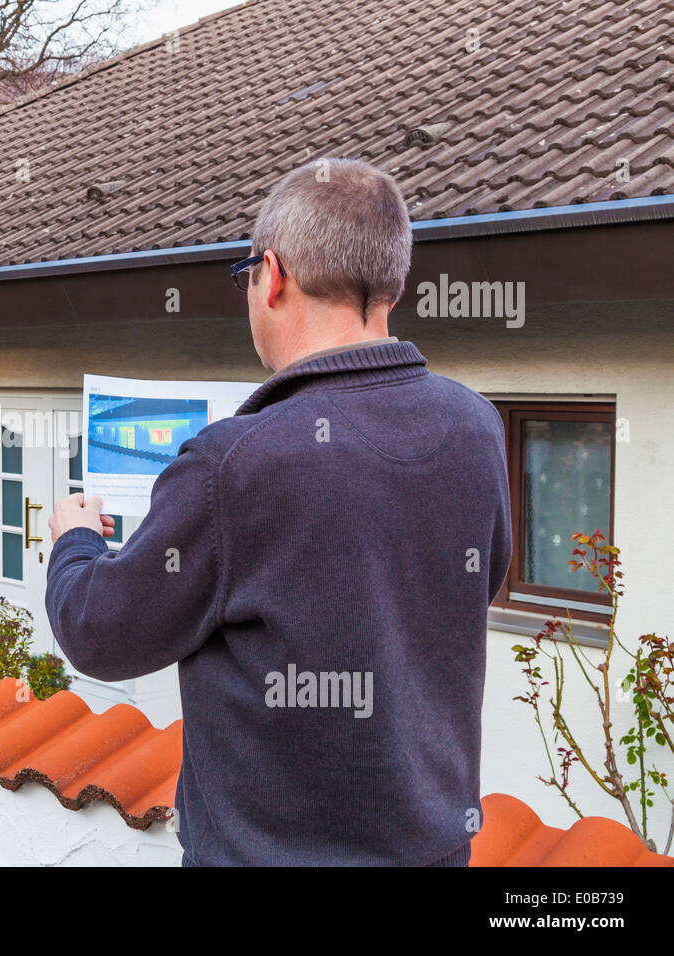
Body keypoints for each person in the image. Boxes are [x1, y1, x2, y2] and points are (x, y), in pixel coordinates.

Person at [45, 158, 512, 866]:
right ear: (393, 283)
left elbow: (99, 633)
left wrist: (75, 540)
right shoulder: (476, 425)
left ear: (275, 274)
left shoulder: (235, 462)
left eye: (248, 277)